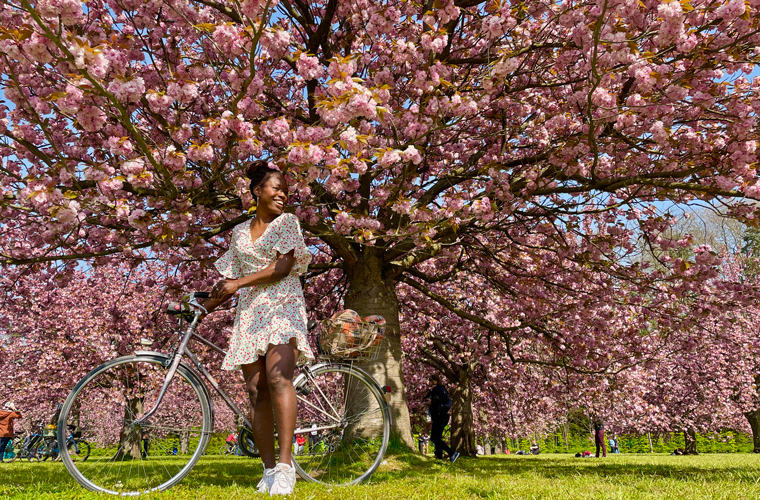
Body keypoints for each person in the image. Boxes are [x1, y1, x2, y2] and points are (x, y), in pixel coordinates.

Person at [203, 160, 314, 496]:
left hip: (283, 305)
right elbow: (228, 283)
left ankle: (285, 467)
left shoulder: (288, 223)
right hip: (250, 313)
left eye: (285, 190)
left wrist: (239, 283)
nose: (282, 194)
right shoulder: (239, 233)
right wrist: (200, 308)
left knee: (279, 378)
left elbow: (282, 267)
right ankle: (267, 470)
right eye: (275, 188)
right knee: (256, 391)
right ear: (256, 192)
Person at [424, 373, 460, 463]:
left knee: (434, 438)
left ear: (434, 381)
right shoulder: (435, 389)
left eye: (430, 380)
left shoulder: (439, 389)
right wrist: (431, 394)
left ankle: (452, 453)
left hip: (441, 416)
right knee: (437, 438)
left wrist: (432, 402)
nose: (428, 382)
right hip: (438, 416)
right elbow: (425, 398)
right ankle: (439, 457)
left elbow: (444, 399)